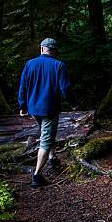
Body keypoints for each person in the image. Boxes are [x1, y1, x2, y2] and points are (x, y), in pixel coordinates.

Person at [18, 38, 75, 189]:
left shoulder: (30, 64)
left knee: (46, 134)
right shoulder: (59, 65)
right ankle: (37, 177)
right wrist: (72, 103)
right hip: (50, 109)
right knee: (46, 139)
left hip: (33, 109)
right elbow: (65, 89)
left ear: (42, 49)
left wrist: (22, 105)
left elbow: (23, 86)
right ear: (54, 50)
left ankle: (52, 157)